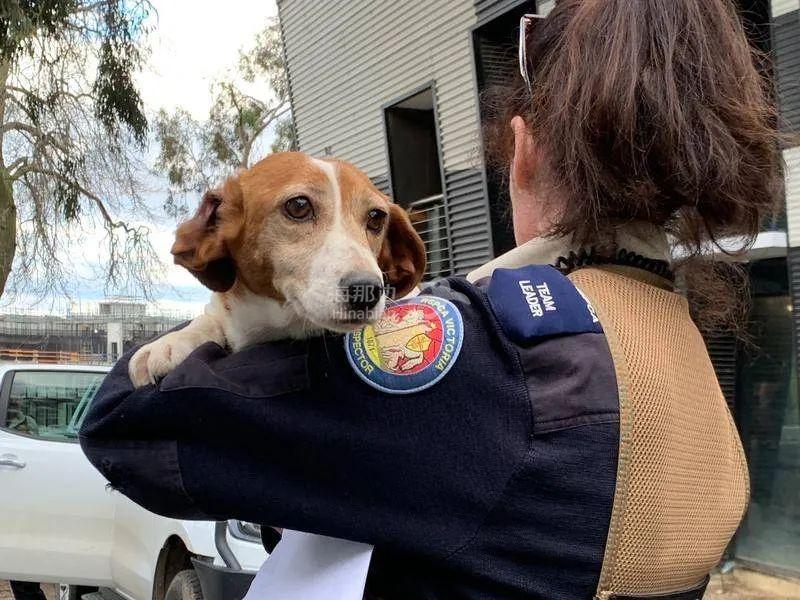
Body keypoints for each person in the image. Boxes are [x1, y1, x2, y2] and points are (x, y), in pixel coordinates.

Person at [79, 0, 783, 598]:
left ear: (524, 150)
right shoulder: (687, 359)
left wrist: (217, 314)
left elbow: (125, 425)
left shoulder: (491, 359)